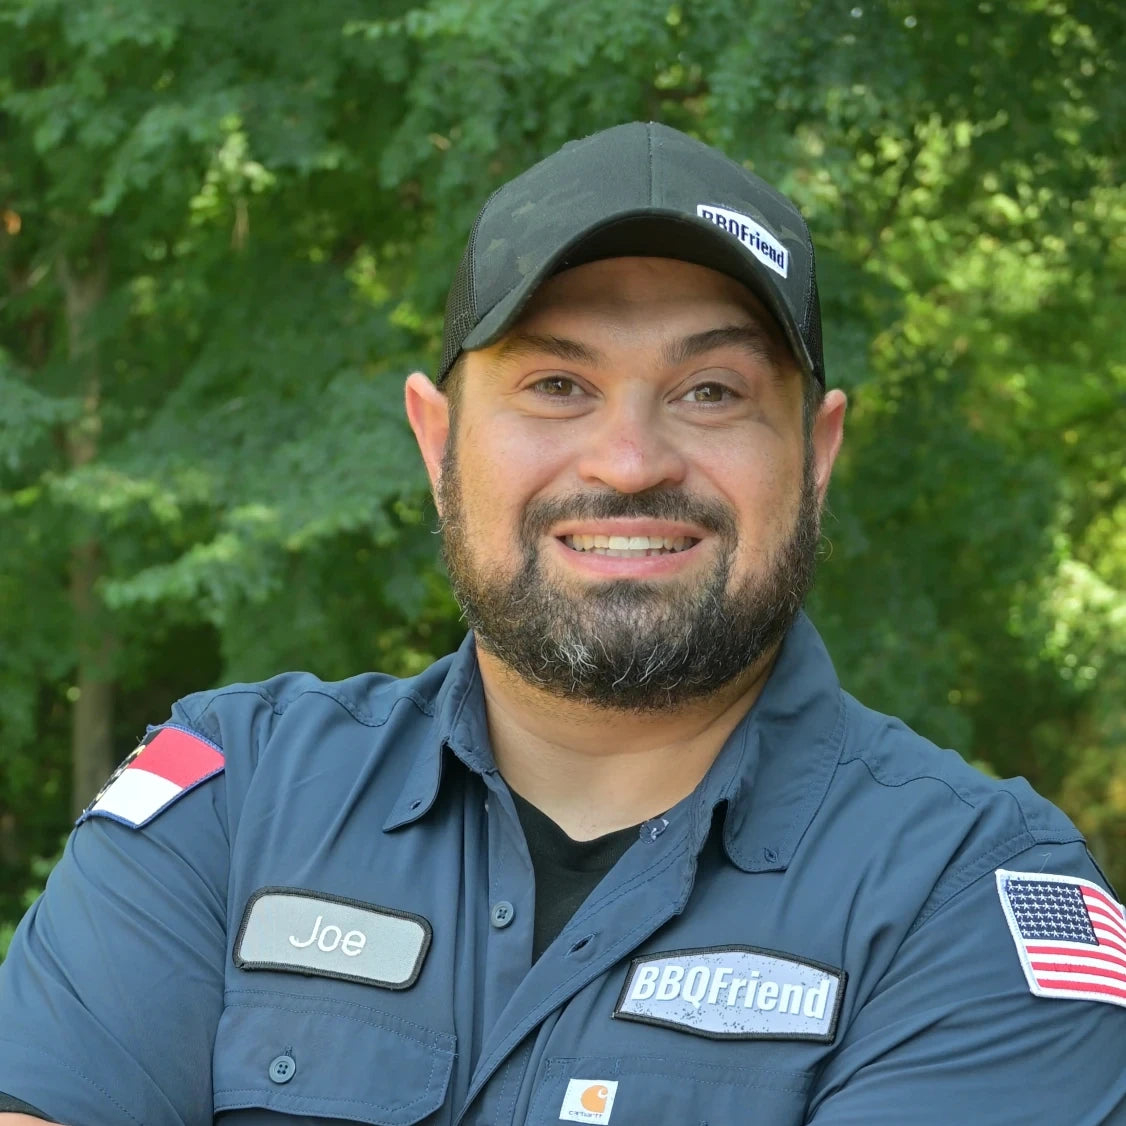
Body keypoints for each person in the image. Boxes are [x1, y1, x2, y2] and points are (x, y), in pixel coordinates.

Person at [0, 121, 1123, 1126]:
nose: (628, 461)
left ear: (818, 454)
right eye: (555, 385)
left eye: (712, 391)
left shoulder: (971, 895)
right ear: (435, 437)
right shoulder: (232, 800)